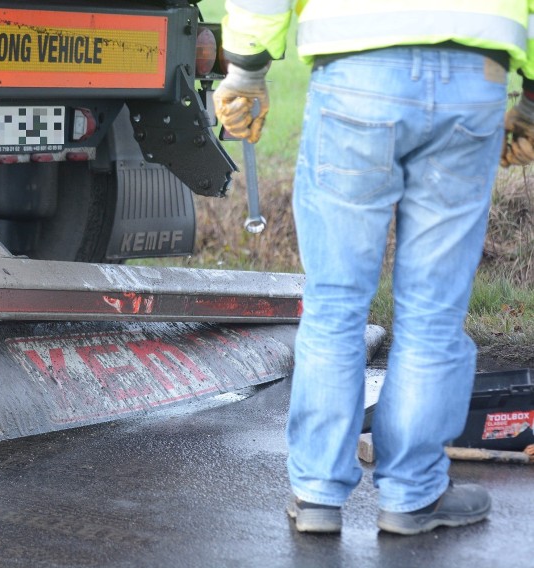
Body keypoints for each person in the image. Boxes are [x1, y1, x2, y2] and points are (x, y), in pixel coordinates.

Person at [214, 1, 534, 535]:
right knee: (434, 309)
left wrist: (247, 68)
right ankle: (413, 496)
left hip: (355, 69)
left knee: (336, 301)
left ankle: (317, 493)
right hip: (473, 73)